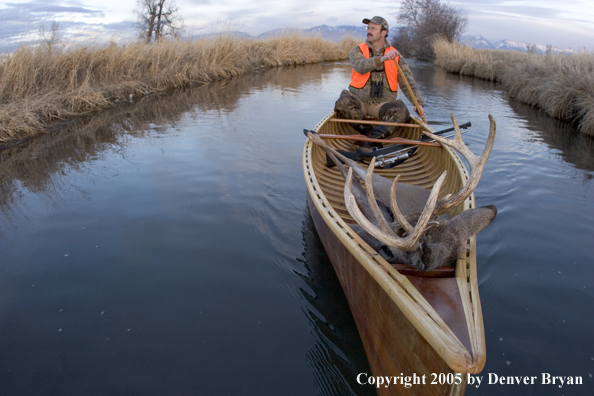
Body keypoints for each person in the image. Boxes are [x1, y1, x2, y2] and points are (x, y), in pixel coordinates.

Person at [334, 16, 426, 140]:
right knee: (343, 101)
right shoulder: (357, 50)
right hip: (360, 103)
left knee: (401, 110)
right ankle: (369, 134)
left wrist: (418, 103)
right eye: (368, 28)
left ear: (383, 33)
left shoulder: (396, 55)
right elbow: (360, 66)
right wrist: (383, 58)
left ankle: (372, 139)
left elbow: (407, 82)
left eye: (373, 28)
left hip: (381, 106)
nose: (369, 31)